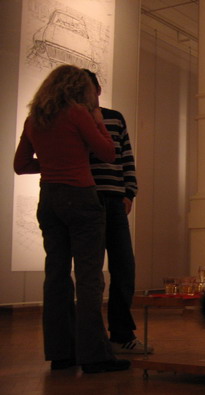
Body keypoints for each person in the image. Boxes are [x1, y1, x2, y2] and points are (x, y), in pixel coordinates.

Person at [13, 64, 130, 373]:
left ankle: (61, 353)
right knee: (89, 277)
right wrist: (98, 123)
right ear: (79, 89)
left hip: (49, 198)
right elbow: (107, 152)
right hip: (80, 196)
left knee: (56, 276)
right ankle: (94, 356)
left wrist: (52, 164)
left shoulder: (34, 118)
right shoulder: (78, 113)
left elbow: (20, 165)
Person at [84, 70, 152, 354]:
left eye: (88, 88)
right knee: (91, 273)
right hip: (89, 198)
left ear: (98, 90)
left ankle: (121, 334)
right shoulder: (75, 120)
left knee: (124, 267)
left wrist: (130, 192)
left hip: (114, 199)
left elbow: (126, 156)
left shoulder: (114, 117)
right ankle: (93, 338)